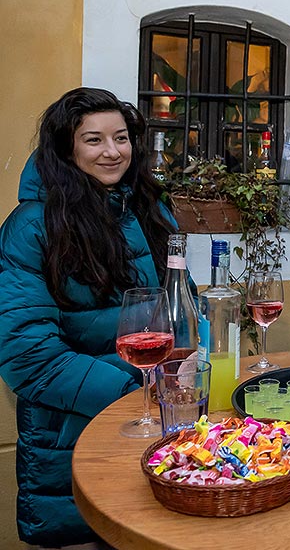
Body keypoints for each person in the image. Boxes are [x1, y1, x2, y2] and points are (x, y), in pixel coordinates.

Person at [0, 88, 176, 547]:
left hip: (153, 422)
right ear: (66, 147)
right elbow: (26, 355)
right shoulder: (32, 226)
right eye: (94, 140)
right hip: (72, 434)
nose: (113, 152)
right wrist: (130, 393)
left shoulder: (148, 208)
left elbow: (175, 307)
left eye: (121, 138)